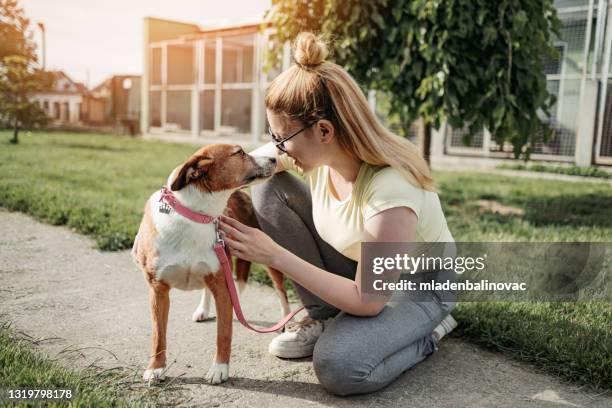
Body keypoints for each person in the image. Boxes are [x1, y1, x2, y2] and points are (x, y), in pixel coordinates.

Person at [218, 32, 457, 396]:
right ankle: (327, 316)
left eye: (282, 138)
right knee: (269, 184)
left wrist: (274, 254)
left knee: (340, 366)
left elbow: (370, 300)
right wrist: (191, 196)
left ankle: (427, 333)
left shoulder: (392, 189)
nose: (277, 147)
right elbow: (255, 165)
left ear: (324, 130)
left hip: (418, 286)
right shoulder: (322, 150)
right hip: (364, 268)